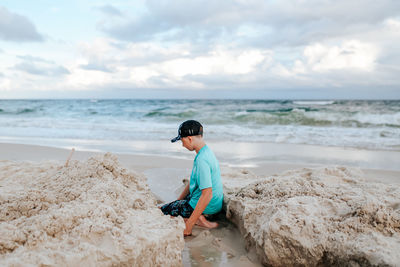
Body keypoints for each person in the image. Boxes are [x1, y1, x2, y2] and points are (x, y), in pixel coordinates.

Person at [161, 120, 223, 236]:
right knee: (174, 205)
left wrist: (188, 227)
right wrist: (178, 201)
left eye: (182, 140)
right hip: (215, 205)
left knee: (161, 211)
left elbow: (207, 193)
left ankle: (199, 220)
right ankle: (199, 216)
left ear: (189, 138)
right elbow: (193, 181)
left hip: (208, 206)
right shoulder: (206, 152)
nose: (182, 144)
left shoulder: (201, 160)